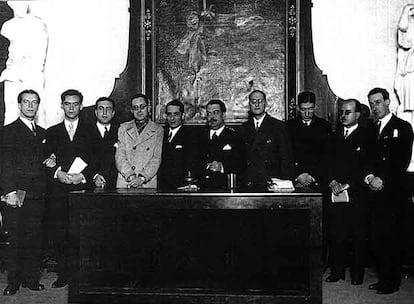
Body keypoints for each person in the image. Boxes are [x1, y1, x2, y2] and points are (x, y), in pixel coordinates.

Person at [0, 89, 49, 295]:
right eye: (26, 102)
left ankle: (31, 279)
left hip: (38, 195)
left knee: (34, 238)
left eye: (34, 102)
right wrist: (9, 191)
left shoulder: (43, 133)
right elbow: (4, 164)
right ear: (19, 105)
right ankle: (13, 282)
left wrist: (51, 163)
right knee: (16, 238)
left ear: (38, 105)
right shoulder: (8, 131)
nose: (30, 105)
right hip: (16, 194)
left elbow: (44, 163)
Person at [365, 87, 414, 294]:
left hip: (393, 193)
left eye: (377, 102)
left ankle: (391, 282)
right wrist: (369, 177)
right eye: (371, 103)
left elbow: (400, 161)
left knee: (392, 238)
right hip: (373, 192)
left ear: (387, 102)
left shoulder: (402, 127)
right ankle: (383, 278)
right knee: (376, 237)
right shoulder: (369, 129)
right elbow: (364, 159)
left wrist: (382, 179)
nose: (374, 107)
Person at [45, 89, 92, 288]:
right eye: (67, 103)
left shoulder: (91, 130)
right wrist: (58, 173)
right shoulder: (52, 131)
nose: (71, 107)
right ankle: (63, 275)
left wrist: (83, 176)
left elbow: (97, 159)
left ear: (81, 106)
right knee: (62, 234)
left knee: (84, 233)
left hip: (83, 190)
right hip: (59, 191)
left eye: (75, 104)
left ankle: (83, 276)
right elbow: (46, 160)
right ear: (62, 105)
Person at [324, 99, 373, 286]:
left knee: (358, 235)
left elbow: (367, 166)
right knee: (337, 233)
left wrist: (348, 184)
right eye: (342, 112)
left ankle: (357, 274)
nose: (343, 116)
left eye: (348, 112)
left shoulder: (367, 137)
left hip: (357, 194)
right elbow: (326, 163)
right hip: (335, 193)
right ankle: (337, 272)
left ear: (358, 115)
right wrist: (332, 181)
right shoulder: (333, 136)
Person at [0, 1, 48, 126]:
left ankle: (38, 142)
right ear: (10, 4)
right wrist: (12, 71)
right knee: (11, 113)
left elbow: (40, 55)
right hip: (12, 75)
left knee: (37, 113)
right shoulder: (7, 26)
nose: (20, 6)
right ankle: (9, 144)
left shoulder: (38, 24)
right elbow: (6, 52)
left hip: (32, 74)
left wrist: (25, 72)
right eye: (16, 3)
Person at [240, 90, 294, 189]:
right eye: (253, 101)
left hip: (271, 182)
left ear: (265, 103)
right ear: (249, 104)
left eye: (260, 101)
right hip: (249, 182)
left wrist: (285, 184)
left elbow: (286, 157)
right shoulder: (243, 128)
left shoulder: (278, 126)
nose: (257, 104)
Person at [115, 93, 163, 188]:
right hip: (126, 181)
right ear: (131, 110)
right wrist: (130, 176)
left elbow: (156, 158)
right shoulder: (123, 128)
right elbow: (120, 156)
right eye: (135, 108)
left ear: (149, 108)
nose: (139, 111)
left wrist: (142, 178)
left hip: (147, 182)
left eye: (142, 107)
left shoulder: (158, 130)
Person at [287, 91, 331, 187]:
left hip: (318, 179)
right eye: (303, 109)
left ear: (315, 107)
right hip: (296, 179)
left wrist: (313, 176)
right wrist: (297, 176)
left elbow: (327, 156)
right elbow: (286, 155)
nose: (307, 113)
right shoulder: (288, 126)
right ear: (298, 108)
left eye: (310, 109)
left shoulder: (324, 126)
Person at [200, 99, 244, 189]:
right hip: (202, 188)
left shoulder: (235, 136)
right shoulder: (199, 137)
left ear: (223, 115)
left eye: (215, 113)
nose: (211, 117)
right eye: (209, 113)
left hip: (225, 188)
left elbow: (242, 163)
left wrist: (222, 166)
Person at [158, 99, 200, 190]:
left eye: (176, 114)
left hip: (181, 187)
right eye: (169, 114)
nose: (172, 118)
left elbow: (192, 164)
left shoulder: (191, 136)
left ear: (183, 116)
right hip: (161, 186)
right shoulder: (160, 133)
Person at [88, 97, 119, 189]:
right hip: (90, 184)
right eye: (101, 109)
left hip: (115, 185)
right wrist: (94, 176)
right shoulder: (86, 131)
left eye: (108, 109)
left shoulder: (120, 131)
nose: (104, 113)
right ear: (96, 112)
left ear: (113, 113)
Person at [395, 4, 414, 111]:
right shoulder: (408, 26)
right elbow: (404, 42)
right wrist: (407, 9)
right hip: (409, 69)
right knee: (410, 104)